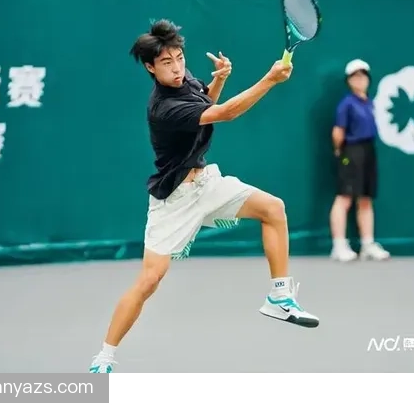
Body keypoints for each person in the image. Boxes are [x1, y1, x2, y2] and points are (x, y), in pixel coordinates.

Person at [88, 19, 319, 373]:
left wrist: (220, 79)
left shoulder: (185, 80)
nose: (177, 67)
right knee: (149, 280)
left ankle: (279, 296)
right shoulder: (163, 107)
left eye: (179, 58)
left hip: (206, 184)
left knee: (274, 209)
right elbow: (222, 114)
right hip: (174, 199)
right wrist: (270, 79)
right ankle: (104, 356)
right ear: (150, 68)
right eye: (167, 63)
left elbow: (205, 104)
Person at [328, 59, 390, 262]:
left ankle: (367, 244)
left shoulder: (369, 103)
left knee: (365, 198)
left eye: (363, 76)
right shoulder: (346, 104)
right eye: (355, 76)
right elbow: (338, 132)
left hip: (368, 150)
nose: (359, 80)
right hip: (351, 151)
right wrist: (341, 151)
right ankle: (339, 245)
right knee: (344, 198)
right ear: (348, 81)